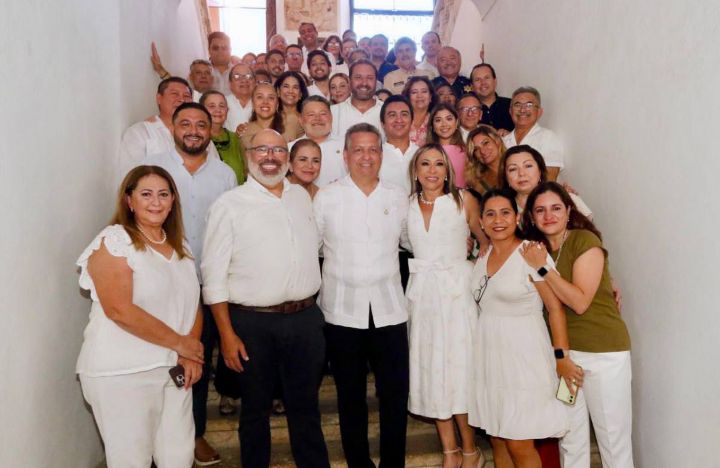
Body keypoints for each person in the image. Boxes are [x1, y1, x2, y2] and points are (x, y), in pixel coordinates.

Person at [202, 129, 330, 468]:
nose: (270, 157)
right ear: (248, 157)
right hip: (252, 324)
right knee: (255, 411)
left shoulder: (301, 197)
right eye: (262, 150)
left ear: (287, 158)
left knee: (306, 408)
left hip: (304, 321)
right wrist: (226, 336)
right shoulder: (228, 205)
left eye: (278, 150)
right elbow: (213, 277)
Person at [76, 165, 204, 468]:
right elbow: (119, 309)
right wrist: (182, 344)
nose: (156, 202)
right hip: (123, 372)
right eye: (146, 194)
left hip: (173, 369)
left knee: (179, 457)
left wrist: (190, 353)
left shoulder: (180, 245)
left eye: (163, 194)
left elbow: (193, 304)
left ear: (173, 201)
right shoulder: (114, 241)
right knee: (131, 460)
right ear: (129, 200)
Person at [141, 103, 236, 466]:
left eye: (201, 124)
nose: (193, 130)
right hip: (161, 281)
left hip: (207, 283)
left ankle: (194, 434)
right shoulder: (153, 168)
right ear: (173, 128)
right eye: (185, 124)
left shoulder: (225, 174)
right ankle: (152, 436)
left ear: (211, 130)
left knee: (196, 357)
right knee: (157, 357)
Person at [314, 123, 410, 468]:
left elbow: (410, 241)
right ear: (345, 155)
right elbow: (314, 247)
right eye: (358, 149)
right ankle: (358, 463)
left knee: (394, 395)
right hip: (342, 311)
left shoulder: (398, 197)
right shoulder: (326, 197)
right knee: (350, 395)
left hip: (389, 309)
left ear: (381, 155)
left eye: (372, 149)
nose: (366, 156)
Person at [521, 182, 634, 468]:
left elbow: (579, 302)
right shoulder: (534, 249)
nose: (549, 216)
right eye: (540, 210)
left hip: (603, 354)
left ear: (569, 211)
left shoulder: (584, 241)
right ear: (531, 217)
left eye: (556, 208)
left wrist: (543, 267)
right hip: (565, 359)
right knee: (570, 439)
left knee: (613, 441)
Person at [469, 189, 581, 468]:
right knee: (498, 437)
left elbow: (555, 308)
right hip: (490, 356)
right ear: (481, 222)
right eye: (490, 214)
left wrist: (562, 357)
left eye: (505, 213)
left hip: (524, 356)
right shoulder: (482, 256)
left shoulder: (530, 253)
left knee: (519, 442)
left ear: (517, 217)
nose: (498, 220)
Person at [405, 144, 485, 468]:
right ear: (415, 171)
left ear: (448, 170)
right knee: (431, 369)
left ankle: (470, 450)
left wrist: (474, 264)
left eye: (439, 164)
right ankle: (449, 451)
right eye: (425, 164)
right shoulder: (406, 205)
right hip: (423, 296)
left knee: (459, 370)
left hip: (457, 295)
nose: (432, 170)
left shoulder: (464, 200)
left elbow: (488, 241)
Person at [118, 77, 193, 181]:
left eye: (186, 96)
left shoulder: (198, 136)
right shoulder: (139, 132)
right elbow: (130, 176)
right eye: (175, 94)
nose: (182, 100)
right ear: (159, 98)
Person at [499, 145, 592, 220]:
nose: (521, 173)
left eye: (528, 166)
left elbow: (588, 231)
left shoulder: (565, 197)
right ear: (505, 176)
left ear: (540, 171)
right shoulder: (500, 207)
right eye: (513, 169)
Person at [502, 86, 564, 181]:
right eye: (517, 105)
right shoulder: (503, 141)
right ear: (510, 111)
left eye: (529, 105)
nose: (522, 110)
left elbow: (549, 179)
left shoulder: (548, 138)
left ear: (539, 112)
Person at [294, 95, 346, 187]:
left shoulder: (347, 146)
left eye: (323, 114)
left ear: (331, 117)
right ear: (301, 120)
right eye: (311, 115)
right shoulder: (290, 148)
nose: (317, 118)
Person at [200, 91, 247, 184]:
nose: (218, 110)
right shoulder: (197, 139)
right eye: (212, 106)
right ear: (201, 110)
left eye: (222, 106)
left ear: (227, 110)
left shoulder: (236, 139)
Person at [330, 60, 383, 138]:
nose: (364, 83)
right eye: (358, 77)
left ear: (376, 82)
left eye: (370, 78)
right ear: (349, 81)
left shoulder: (387, 111)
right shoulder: (333, 112)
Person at [379, 95, 417, 194]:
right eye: (392, 115)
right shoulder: (375, 155)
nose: (399, 120)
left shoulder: (422, 153)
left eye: (404, 114)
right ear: (382, 124)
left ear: (412, 121)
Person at [427, 103, 468, 188]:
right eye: (438, 120)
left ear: (456, 122)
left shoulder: (467, 152)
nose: (444, 124)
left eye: (449, 119)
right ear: (432, 126)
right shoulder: (426, 153)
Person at [241, 83, 294, 148]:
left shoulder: (291, 122)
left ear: (277, 104)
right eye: (260, 97)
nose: (265, 102)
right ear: (253, 103)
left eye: (271, 98)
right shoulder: (244, 132)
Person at [470, 63, 513, 135]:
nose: (483, 83)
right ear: (472, 86)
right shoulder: (468, 112)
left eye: (487, 78)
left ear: (495, 81)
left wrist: (511, 136)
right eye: (477, 80)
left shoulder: (512, 105)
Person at [465, 124, 505, 197]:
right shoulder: (477, 181)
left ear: (497, 141)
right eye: (476, 149)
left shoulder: (518, 165)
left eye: (485, 143)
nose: (482, 151)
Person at [402, 76, 437, 147]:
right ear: (408, 97)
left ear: (430, 96)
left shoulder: (436, 120)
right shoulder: (400, 120)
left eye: (424, 91)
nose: (419, 96)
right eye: (414, 92)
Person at [275, 71, 308, 141]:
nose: (290, 91)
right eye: (286, 86)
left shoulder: (306, 119)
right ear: (278, 91)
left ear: (300, 94)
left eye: (295, 87)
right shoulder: (269, 117)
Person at [225, 63, 255, 133]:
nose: (244, 80)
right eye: (237, 76)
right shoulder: (223, 102)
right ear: (230, 84)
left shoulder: (262, 103)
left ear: (255, 82)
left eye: (248, 76)